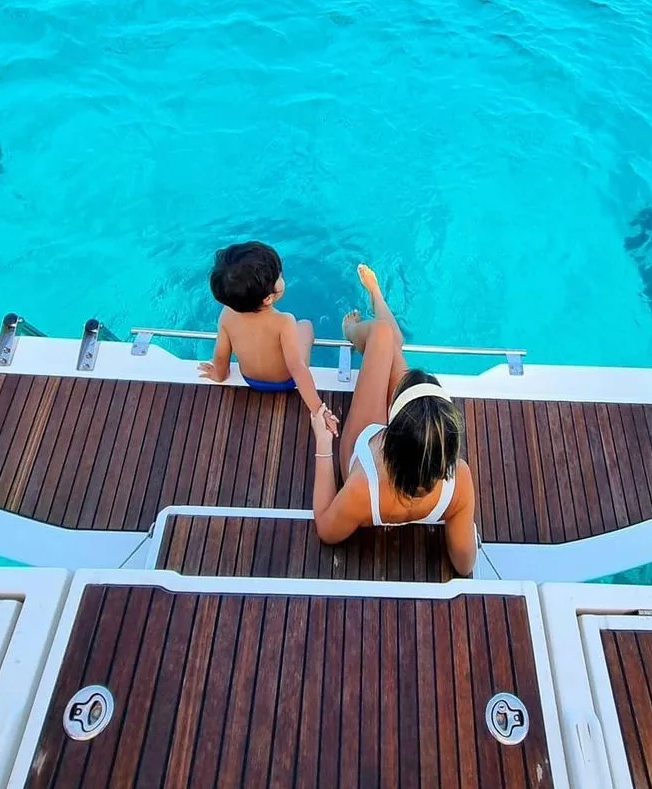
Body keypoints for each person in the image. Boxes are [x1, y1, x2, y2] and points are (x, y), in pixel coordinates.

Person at [309, 264, 477, 576]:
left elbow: (326, 529)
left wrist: (323, 444)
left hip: (362, 456)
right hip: (414, 472)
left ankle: (354, 330)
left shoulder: (361, 489)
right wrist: (457, 513)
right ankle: (377, 300)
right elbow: (464, 564)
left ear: (388, 435)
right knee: (389, 340)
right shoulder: (460, 482)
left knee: (383, 335)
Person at [200, 241, 338, 435]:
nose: (282, 277)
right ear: (268, 298)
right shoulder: (284, 321)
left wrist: (218, 375)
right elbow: (297, 368)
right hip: (286, 382)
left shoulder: (226, 315)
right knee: (305, 326)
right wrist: (318, 409)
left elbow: (221, 356)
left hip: (251, 380)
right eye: (279, 276)